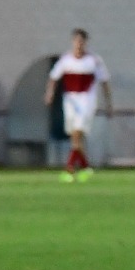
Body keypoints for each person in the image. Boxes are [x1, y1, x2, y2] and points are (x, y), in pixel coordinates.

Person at [46, 29, 111, 182]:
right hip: (69, 101)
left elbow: (104, 82)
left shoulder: (94, 60)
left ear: (85, 43)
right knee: (75, 138)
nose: (79, 44)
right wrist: (49, 93)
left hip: (86, 100)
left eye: (81, 41)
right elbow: (53, 77)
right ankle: (85, 168)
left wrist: (108, 103)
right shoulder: (66, 60)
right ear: (73, 42)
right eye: (76, 41)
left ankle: (69, 169)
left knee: (77, 133)